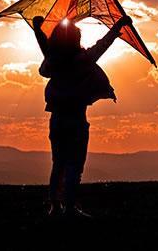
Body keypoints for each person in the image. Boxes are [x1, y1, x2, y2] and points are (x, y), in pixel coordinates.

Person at [32, 14, 132, 218]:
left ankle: (56, 206)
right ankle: (68, 207)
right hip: (76, 119)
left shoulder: (53, 62)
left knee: (59, 163)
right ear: (76, 40)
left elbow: (46, 49)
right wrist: (118, 25)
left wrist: (37, 30)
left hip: (57, 120)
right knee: (74, 164)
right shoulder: (82, 60)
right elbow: (103, 45)